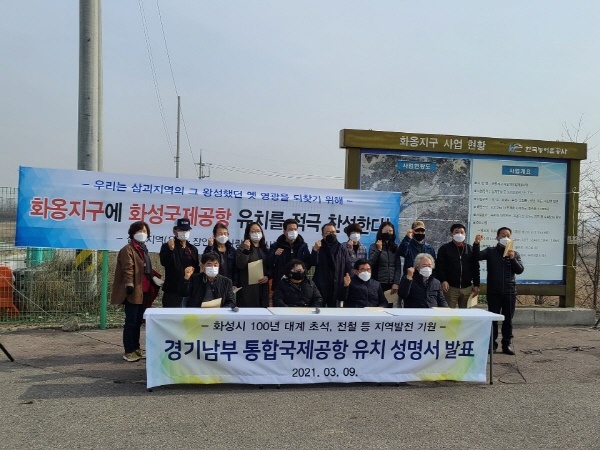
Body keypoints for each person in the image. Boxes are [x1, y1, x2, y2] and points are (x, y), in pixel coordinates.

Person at [111, 221, 159, 362]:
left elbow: (146, 268)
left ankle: (136, 348)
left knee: (138, 321)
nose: (142, 234)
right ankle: (129, 350)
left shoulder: (143, 249)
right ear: (132, 233)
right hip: (133, 290)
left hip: (144, 290)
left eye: (145, 231)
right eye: (139, 231)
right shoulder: (128, 249)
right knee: (131, 321)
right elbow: (128, 268)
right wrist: (129, 284)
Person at [477, 227, 524, 355]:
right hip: (494, 291)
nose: (505, 237)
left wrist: (512, 258)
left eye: (508, 235)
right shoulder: (490, 251)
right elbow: (477, 256)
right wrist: (477, 243)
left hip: (510, 291)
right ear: (497, 237)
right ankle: (492, 344)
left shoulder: (515, 253)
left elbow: (519, 270)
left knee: (508, 319)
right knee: (493, 319)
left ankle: (506, 344)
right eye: (502, 235)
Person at [436, 223, 480, 308]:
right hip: (450, 287)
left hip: (467, 287)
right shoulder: (444, 249)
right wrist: (443, 280)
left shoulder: (470, 249)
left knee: (465, 314)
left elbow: (475, 267)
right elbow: (440, 266)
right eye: (456, 232)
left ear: (465, 234)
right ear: (451, 234)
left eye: (462, 232)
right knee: (448, 312)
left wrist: (476, 284)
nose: (459, 234)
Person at [159, 218, 200, 307]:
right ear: (175, 230)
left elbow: (197, 269)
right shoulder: (167, 246)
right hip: (172, 291)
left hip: (189, 290)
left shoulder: (192, 249)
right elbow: (164, 262)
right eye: (181, 229)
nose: (184, 232)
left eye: (186, 230)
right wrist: (171, 250)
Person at [310, 223, 353, 308]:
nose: (331, 234)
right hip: (320, 285)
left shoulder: (342, 248)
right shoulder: (318, 247)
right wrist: (315, 250)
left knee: (334, 313)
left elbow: (348, 266)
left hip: (337, 286)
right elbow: (312, 263)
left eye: (333, 232)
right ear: (323, 235)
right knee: (318, 311)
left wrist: (347, 281)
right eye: (328, 232)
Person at [267, 218, 311, 290]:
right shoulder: (275, 246)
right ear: (284, 231)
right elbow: (269, 263)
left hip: (299, 282)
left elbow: (308, 262)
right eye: (290, 229)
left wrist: (301, 271)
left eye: (295, 229)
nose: (293, 231)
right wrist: (275, 255)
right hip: (280, 283)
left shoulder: (303, 246)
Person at [235, 222, 270, 307]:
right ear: (248, 234)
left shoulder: (264, 248)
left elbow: (269, 265)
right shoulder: (242, 247)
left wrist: (268, 276)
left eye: (258, 231)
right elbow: (240, 264)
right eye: (253, 231)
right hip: (248, 288)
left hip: (263, 287)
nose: (256, 233)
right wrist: (246, 250)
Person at [368, 221, 402, 298]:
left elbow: (398, 266)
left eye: (390, 231)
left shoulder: (395, 248)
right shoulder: (374, 246)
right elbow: (371, 264)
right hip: (377, 282)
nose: (388, 233)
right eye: (386, 231)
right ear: (381, 232)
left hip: (391, 284)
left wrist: (396, 283)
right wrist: (379, 250)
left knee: (389, 306)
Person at [203, 222, 239, 288]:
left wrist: (234, 283)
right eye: (220, 234)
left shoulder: (231, 250)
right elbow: (205, 261)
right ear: (214, 235)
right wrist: (210, 246)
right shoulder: (211, 248)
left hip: (228, 283)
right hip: (213, 283)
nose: (223, 236)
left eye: (225, 234)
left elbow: (235, 268)